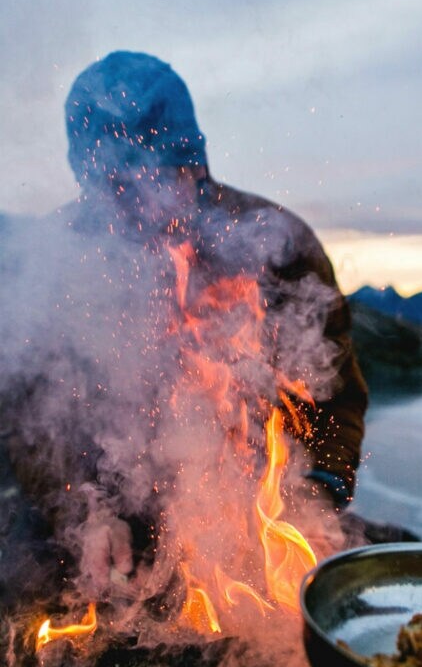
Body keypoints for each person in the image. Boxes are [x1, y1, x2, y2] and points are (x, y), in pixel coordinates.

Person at [2, 51, 369, 596]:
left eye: (152, 182)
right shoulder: (56, 259)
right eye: (114, 193)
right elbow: (28, 409)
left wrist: (313, 493)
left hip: (248, 509)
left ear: (193, 162)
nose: (136, 212)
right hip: (112, 515)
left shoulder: (276, 246)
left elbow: (333, 397)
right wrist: (82, 509)